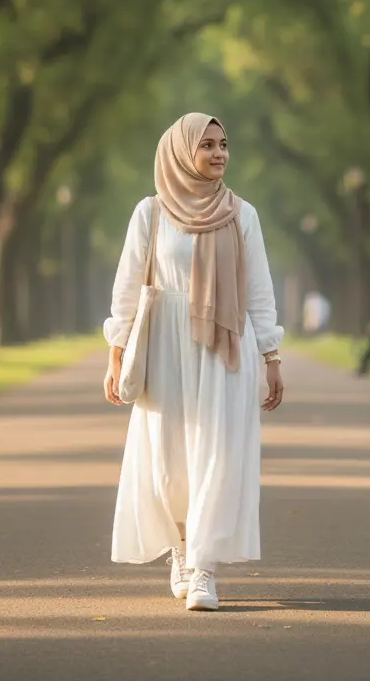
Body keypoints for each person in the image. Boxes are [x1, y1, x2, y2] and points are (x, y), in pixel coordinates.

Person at [102, 113, 285, 612]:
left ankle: (204, 567)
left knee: (217, 457)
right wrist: (116, 353)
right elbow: (126, 288)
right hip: (165, 344)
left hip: (224, 346)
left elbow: (260, 291)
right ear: (181, 151)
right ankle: (180, 551)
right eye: (206, 144)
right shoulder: (151, 214)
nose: (219, 153)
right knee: (169, 461)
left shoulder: (242, 214)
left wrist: (271, 354)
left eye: (224, 144)